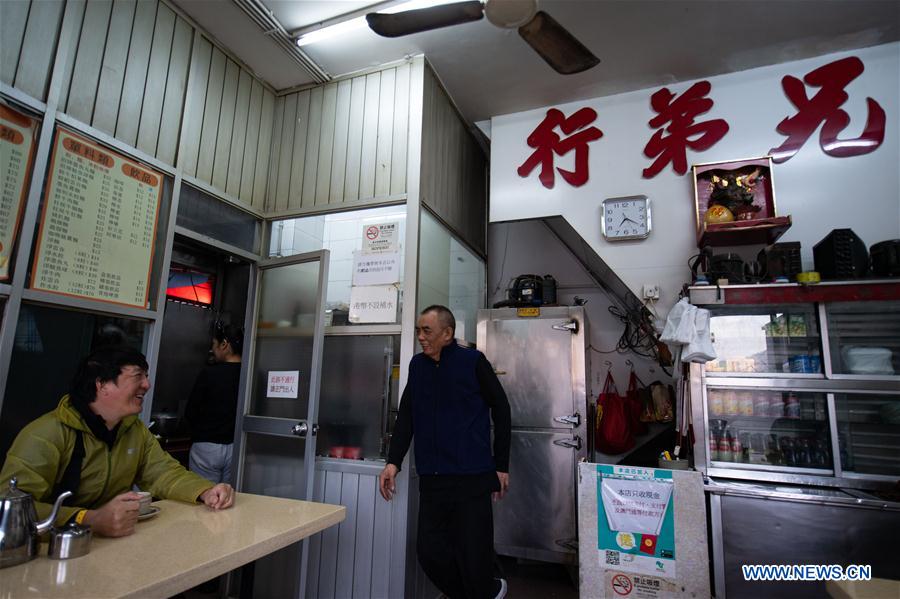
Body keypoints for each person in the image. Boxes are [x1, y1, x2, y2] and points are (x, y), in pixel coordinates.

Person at [0, 345, 234, 538]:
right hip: (46, 554)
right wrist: (87, 518)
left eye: (146, 376)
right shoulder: (47, 433)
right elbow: (10, 506)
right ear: (102, 384)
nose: (147, 385)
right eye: (138, 376)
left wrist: (204, 490)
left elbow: (163, 473)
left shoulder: (133, 430)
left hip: (105, 548)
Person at [379, 305, 512, 599]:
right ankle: (480, 593)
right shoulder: (417, 366)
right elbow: (407, 417)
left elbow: (501, 409)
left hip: (472, 477)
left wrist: (501, 464)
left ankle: (486, 589)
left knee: (473, 554)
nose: (420, 337)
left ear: (447, 333)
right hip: (433, 478)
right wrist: (393, 462)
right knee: (430, 553)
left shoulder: (473, 362)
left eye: (427, 330)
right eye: (418, 330)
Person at [185, 322, 243, 484]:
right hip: (236, 447)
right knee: (227, 497)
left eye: (214, 344)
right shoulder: (250, 374)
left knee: (204, 494)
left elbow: (191, 411)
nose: (212, 350)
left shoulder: (210, 373)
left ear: (224, 344)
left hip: (206, 446)